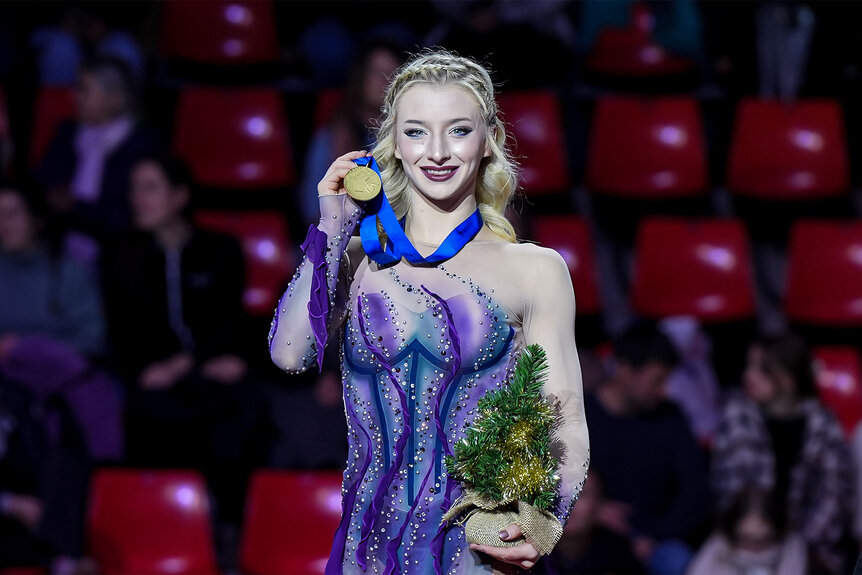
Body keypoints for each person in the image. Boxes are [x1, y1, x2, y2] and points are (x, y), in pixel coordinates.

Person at [268, 49, 590, 573]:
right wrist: (330, 230)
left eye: (458, 130)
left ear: (488, 141)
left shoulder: (535, 269)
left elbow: (564, 415)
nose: (437, 151)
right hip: (366, 550)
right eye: (416, 131)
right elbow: (289, 354)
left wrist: (542, 524)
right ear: (393, 142)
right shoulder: (357, 260)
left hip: (479, 550)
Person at [102, 153, 257, 524]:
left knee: (241, 400)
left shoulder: (220, 250)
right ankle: (160, 522)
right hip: (152, 373)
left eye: (149, 188)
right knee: (147, 408)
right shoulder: (121, 255)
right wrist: (165, 368)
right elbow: (124, 333)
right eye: (134, 189)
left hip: (206, 365)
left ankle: (228, 525)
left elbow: (226, 323)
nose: (138, 198)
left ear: (179, 196)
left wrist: (190, 363)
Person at [712, 333, 853, 574]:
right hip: (745, 542)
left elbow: (833, 499)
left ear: (787, 378)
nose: (748, 376)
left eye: (761, 369)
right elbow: (730, 492)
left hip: (812, 548)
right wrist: (758, 540)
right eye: (748, 366)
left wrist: (798, 545)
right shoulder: (737, 417)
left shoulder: (823, 424)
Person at [584, 322, 710, 575]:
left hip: (656, 540)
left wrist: (653, 535)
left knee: (678, 560)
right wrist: (591, 510)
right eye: (656, 381)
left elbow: (696, 490)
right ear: (624, 369)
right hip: (588, 537)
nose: (663, 390)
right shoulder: (579, 417)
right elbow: (549, 486)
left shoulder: (669, 417)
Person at [35, 56, 156, 266]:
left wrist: (75, 208)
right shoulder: (66, 132)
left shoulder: (141, 145)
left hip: (118, 254)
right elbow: (42, 181)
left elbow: (128, 214)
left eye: (84, 89)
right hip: (57, 243)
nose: (74, 96)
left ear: (115, 98)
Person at [687, 488, 806, 575]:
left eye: (763, 540)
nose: (753, 548)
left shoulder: (792, 547)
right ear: (731, 533)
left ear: (778, 533)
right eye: (745, 538)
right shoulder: (718, 546)